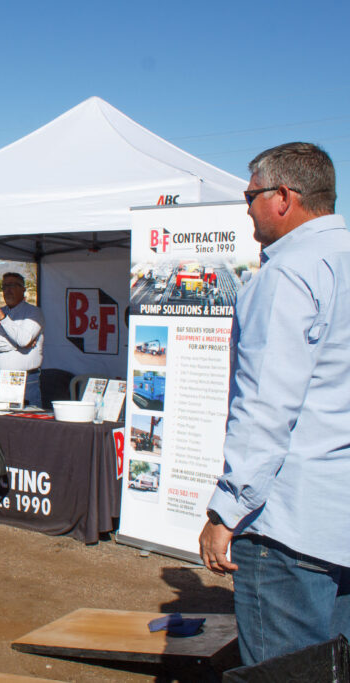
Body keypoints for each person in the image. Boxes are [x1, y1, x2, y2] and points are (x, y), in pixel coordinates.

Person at [198, 143, 350, 665]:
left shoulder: (287, 275)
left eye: (250, 194)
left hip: (291, 525)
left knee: (284, 671)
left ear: (283, 197)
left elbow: (264, 408)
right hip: (340, 517)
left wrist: (227, 509)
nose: (246, 207)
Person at [0, 271, 44, 407]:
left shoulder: (33, 312)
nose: (7, 290)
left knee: (29, 425)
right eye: (4, 286)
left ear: (23, 289)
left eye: (12, 285)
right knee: (1, 424)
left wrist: (3, 318)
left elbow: (23, 339)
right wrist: (18, 345)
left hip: (27, 381)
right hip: (1, 379)